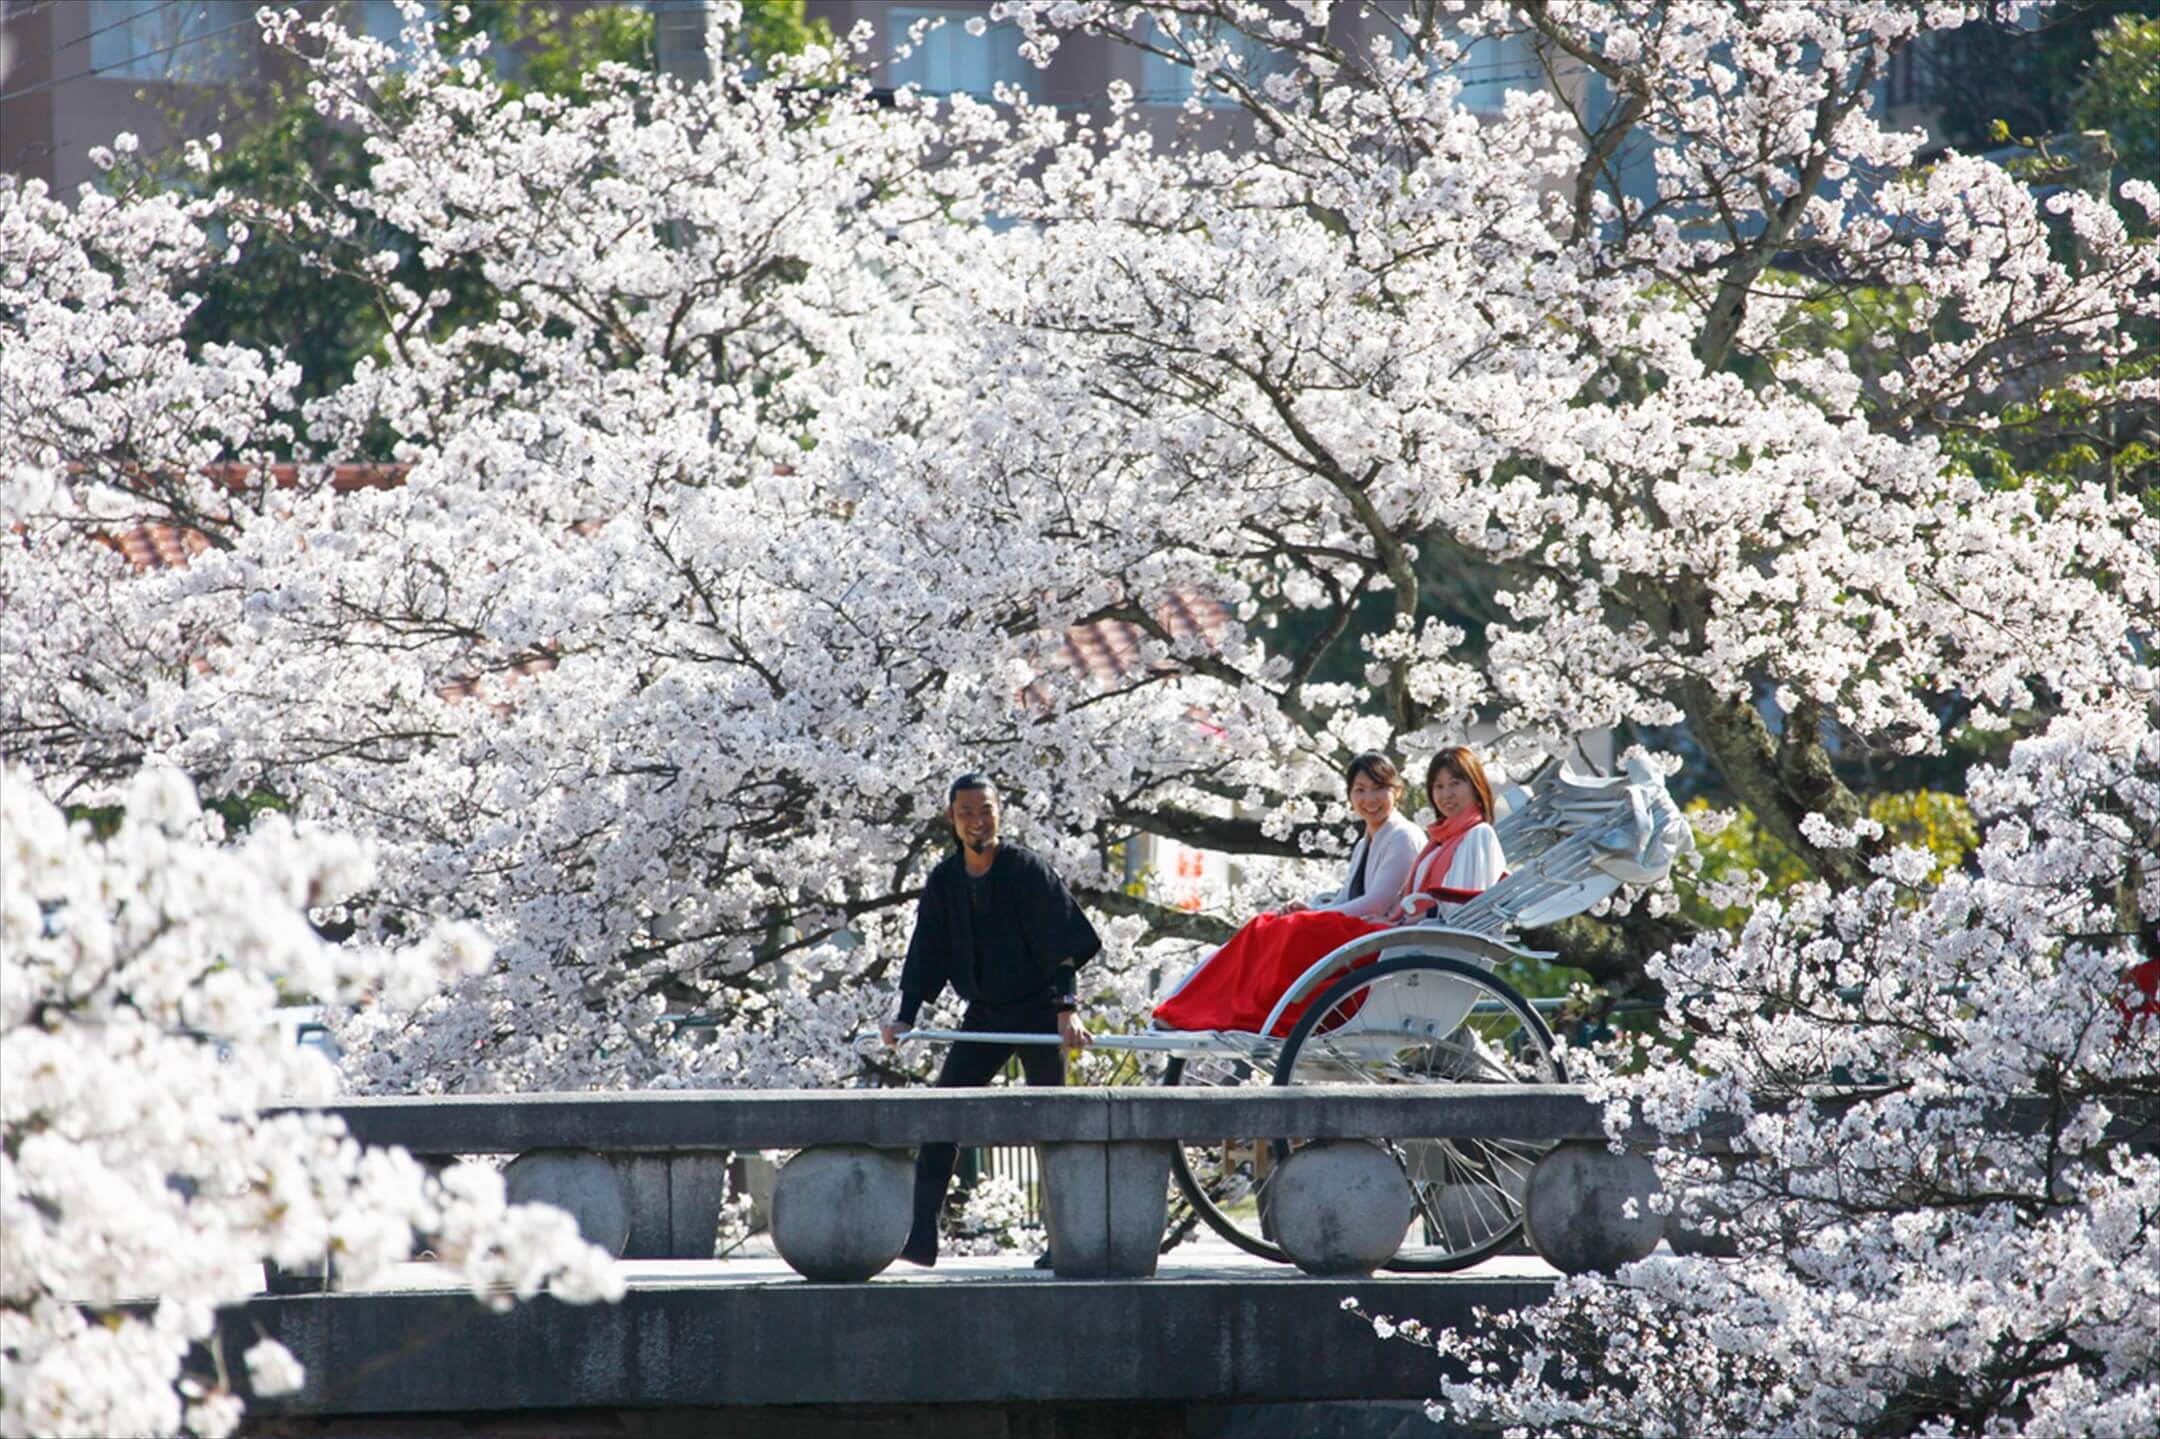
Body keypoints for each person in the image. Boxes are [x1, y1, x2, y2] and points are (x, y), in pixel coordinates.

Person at [881, 773, 1101, 1268]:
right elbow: (927, 952)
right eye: (966, 813)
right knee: (944, 1111)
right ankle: (920, 1235)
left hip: (1041, 1009)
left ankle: (1064, 1240)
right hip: (984, 1012)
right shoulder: (944, 880)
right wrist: (905, 1015)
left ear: (999, 813)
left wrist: (1068, 1009)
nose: (976, 822)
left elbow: (1059, 942)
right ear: (952, 819)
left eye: (985, 811)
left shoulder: (1026, 869)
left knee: (1054, 1124)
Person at [1152, 747, 1505, 1036]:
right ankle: (1200, 1010)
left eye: (1455, 784)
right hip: (1394, 929)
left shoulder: (1466, 835)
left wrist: (1318, 916)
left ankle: (1224, 1012)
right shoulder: (1436, 838)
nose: (1446, 794)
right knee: (1267, 927)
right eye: (1439, 786)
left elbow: (1442, 904)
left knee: (1285, 930)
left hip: (1405, 936)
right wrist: (1312, 910)